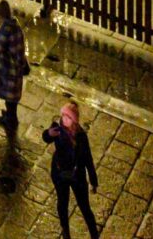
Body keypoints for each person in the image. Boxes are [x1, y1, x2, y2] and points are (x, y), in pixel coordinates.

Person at [43, 101, 103, 239]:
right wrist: (48, 134)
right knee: (62, 203)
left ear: (74, 120)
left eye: (68, 117)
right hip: (59, 173)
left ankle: (94, 234)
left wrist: (93, 180)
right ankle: (66, 232)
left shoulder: (81, 136)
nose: (64, 119)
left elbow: (88, 158)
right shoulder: (57, 127)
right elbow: (45, 138)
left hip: (77, 175)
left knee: (84, 207)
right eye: (63, 115)